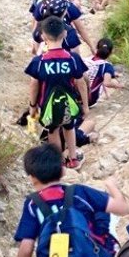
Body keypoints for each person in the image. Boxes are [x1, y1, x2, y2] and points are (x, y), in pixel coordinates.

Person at [0, 143, 129, 257]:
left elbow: (26, 248)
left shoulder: (32, 204)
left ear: (32, 177)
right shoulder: (80, 192)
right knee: (101, 213)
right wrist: (112, 186)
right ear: (63, 171)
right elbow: (123, 208)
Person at [24, 14, 89, 168]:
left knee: (52, 130)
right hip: (68, 104)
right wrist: (85, 106)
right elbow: (81, 83)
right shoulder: (72, 58)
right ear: (65, 34)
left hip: (48, 105)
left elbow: (34, 85)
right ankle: (73, 158)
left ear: (43, 36)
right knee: (69, 127)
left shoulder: (39, 62)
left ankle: (59, 161)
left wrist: (32, 106)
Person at [87, 36, 118, 108]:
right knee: (101, 78)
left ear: (97, 49)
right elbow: (106, 83)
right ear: (111, 52)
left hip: (74, 97)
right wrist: (118, 85)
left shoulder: (86, 60)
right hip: (90, 100)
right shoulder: (107, 66)